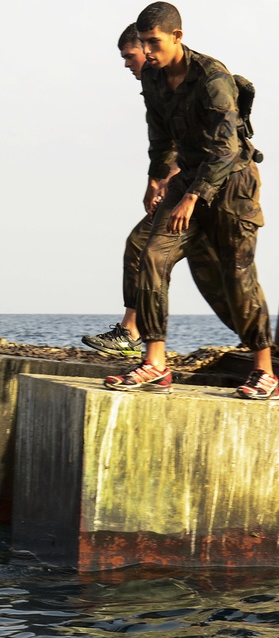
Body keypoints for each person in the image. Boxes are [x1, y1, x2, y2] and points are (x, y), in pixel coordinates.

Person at [104, 2, 275, 398]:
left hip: (232, 184)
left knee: (237, 275)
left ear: (176, 37)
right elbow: (160, 136)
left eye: (154, 42)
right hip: (188, 179)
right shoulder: (153, 78)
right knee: (151, 255)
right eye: (143, 43)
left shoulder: (212, 77)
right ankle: (155, 362)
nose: (147, 52)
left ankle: (264, 370)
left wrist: (192, 198)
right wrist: (156, 178)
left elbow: (227, 148)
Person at [81, 22, 234, 357]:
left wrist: (181, 184)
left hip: (214, 190)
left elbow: (214, 141)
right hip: (189, 188)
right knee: (215, 279)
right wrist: (157, 179)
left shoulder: (201, 77)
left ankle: (134, 335)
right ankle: (135, 335)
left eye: (131, 54)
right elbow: (164, 139)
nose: (129, 62)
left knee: (149, 249)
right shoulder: (160, 85)